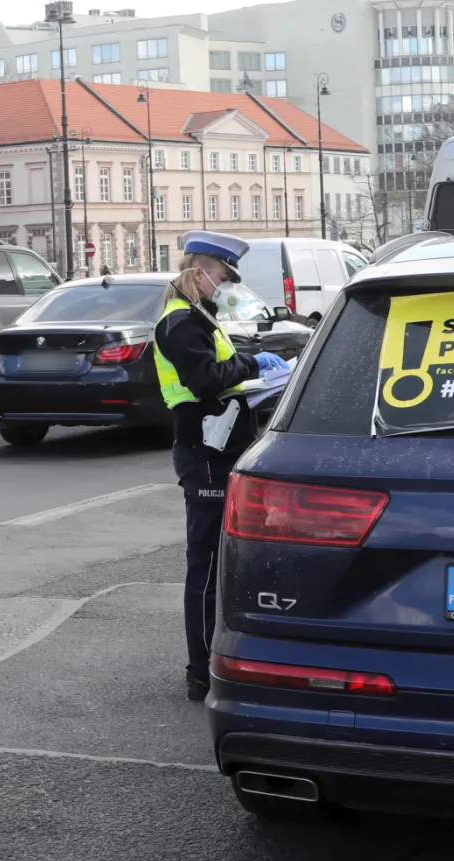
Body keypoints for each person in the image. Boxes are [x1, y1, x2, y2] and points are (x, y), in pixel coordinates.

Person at [152, 231, 287, 701]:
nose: (223, 285)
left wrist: (251, 364)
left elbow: (219, 366)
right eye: (220, 275)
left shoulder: (197, 317)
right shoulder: (182, 322)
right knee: (207, 566)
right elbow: (205, 378)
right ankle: (202, 670)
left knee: (223, 563)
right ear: (199, 270)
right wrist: (253, 369)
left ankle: (220, 660)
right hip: (205, 452)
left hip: (219, 448)